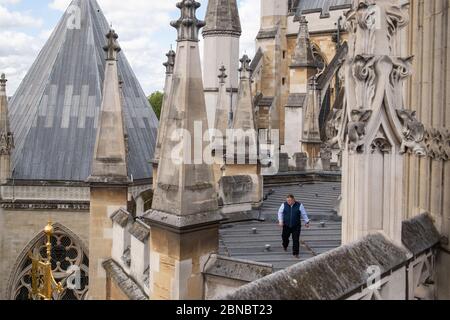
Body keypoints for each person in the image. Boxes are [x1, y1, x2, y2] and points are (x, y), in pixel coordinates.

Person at [278, 194, 310, 259]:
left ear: (293, 200)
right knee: (284, 237)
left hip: (296, 226)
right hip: (286, 225)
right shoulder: (283, 205)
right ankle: (285, 245)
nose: (288, 202)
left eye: (289, 200)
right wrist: (280, 221)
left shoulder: (299, 205)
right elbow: (280, 213)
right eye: (287, 200)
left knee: (296, 239)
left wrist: (307, 222)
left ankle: (296, 253)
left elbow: (304, 214)